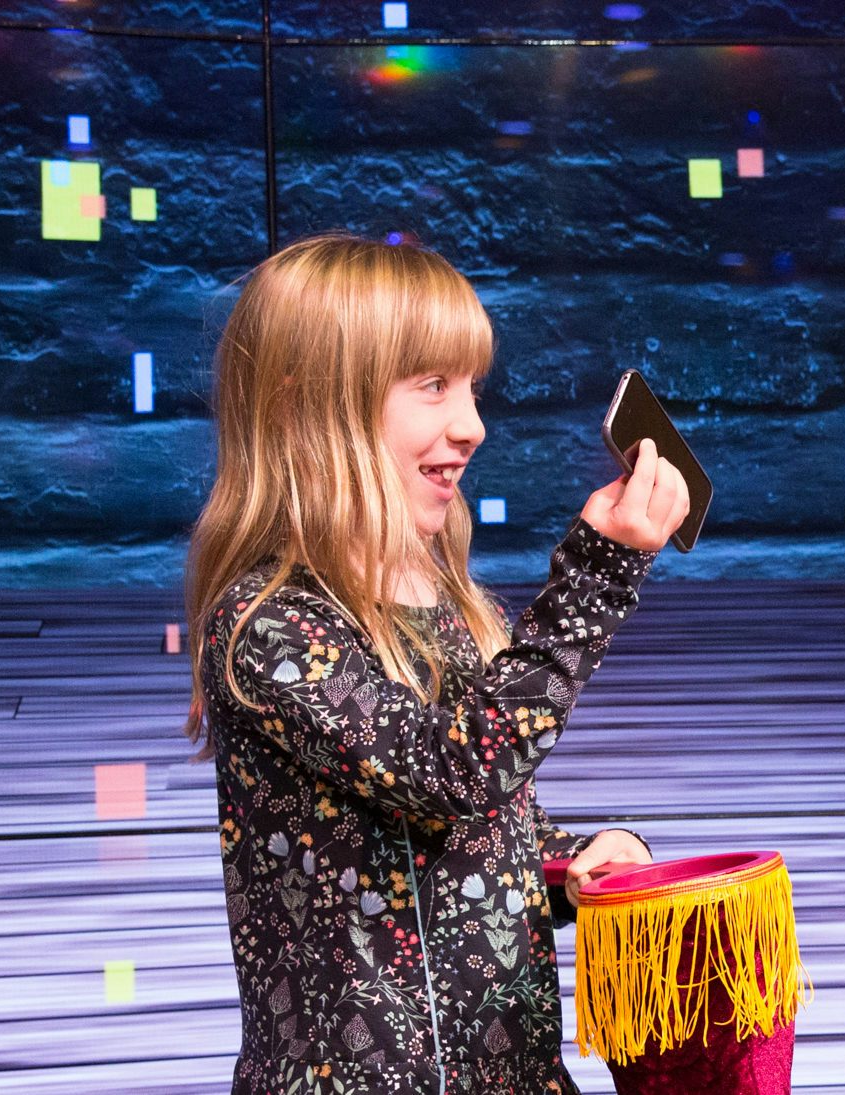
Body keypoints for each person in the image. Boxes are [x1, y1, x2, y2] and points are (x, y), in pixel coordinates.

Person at [183, 233, 693, 1094]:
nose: (471, 424)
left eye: (471, 388)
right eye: (431, 387)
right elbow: (447, 771)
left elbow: (453, 831)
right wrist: (598, 573)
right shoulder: (269, 628)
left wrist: (569, 863)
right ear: (308, 400)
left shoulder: (447, 601)